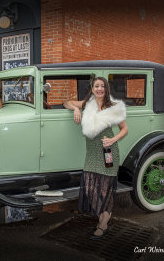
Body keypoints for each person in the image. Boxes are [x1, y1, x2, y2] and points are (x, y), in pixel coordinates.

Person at [63, 76, 128, 239]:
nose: (99, 89)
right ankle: (103, 217)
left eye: (102, 86)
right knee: (91, 188)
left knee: (105, 190)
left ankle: (103, 224)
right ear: (92, 89)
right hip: (91, 153)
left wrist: (113, 139)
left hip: (108, 152)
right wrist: (76, 109)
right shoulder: (87, 105)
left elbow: (124, 129)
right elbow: (66, 102)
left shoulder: (113, 107)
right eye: (96, 86)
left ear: (106, 89)